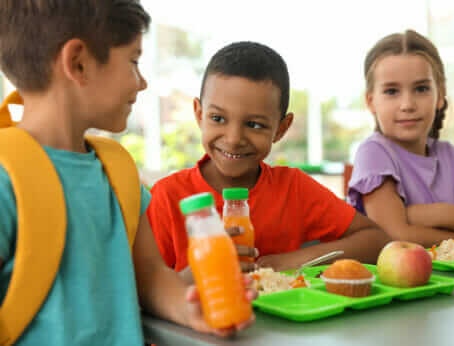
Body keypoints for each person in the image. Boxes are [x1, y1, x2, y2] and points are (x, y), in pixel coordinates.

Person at [0, 1, 254, 344]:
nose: (142, 82)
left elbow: (148, 275)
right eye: (133, 61)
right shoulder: (5, 177)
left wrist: (187, 309)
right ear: (78, 62)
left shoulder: (117, 170)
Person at [147, 41, 390, 275]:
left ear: (282, 129)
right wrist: (201, 271)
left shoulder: (293, 188)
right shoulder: (167, 197)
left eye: (254, 124)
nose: (233, 139)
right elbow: (146, 288)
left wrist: (293, 261)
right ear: (199, 115)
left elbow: (375, 240)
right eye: (218, 118)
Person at [348, 29, 454, 248]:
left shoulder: (450, 155)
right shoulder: (373, 153)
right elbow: (397, 236)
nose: (407, 104)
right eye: (391, 91)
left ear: (440, 95)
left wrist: (432, 213)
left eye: (421, 88)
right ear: (370, 101)